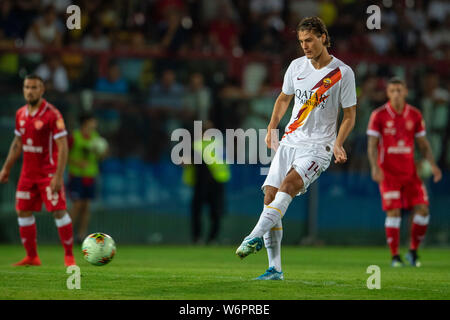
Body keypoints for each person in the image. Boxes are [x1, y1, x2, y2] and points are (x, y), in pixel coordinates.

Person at [235, 16, 357, 280]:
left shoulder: (342, 73)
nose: (305, 46)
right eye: (301, 41)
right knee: (269, 196)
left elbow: (349, 115)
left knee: (288, 186)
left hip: (318, 147)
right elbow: (283, 98)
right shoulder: (295, 66)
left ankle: (253, 236)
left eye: (310, 40)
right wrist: (271, 126)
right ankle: (275, 269)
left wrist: (338, 143)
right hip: (291, 140)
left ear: (323, 37)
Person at [0, 75, 75, 267]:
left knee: (59, 211)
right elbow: (18, 142)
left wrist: (58, 175)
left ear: (42, 90)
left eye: (34, 87)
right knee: (23, 211)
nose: (30, 91)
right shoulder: (20, 114)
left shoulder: (52, 114)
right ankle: (32, 257)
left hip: (48, 173)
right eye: (27, 87)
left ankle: (69, 256)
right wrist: (6, 168)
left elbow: (63, 146)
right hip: (28, 173)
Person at [367, 77, 442, 267]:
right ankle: (395, 257)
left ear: (406, 92)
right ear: (388, 93)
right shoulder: (379, 115)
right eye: (392, 90)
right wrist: (375, 167)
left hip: (411, 173)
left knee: (423, 210)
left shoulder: (415, 115)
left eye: (399, 90)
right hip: (388, 174)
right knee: (394, 213)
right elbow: (372, 145)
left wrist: (432, 164)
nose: (396, 94)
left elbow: (423, 145)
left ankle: (413, 251)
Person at [68, 113, 108, 244]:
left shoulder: (96, 138)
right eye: (92, 121)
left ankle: (81, 235)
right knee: (77, 205)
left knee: (86, 206)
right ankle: (67, 236)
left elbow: (101, 157)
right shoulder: (75, 137)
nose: (94, 124)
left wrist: (102, 152)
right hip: (76, 175)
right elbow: (63, 154)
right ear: (85, 122)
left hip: (90, 175)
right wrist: (76, 162)